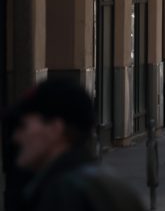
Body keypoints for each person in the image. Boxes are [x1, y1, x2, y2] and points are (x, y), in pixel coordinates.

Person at [9, 78, 144, 211]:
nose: (16, 137)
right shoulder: (112, 186)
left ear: (55, 129)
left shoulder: (61, 195)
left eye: (23, 127)